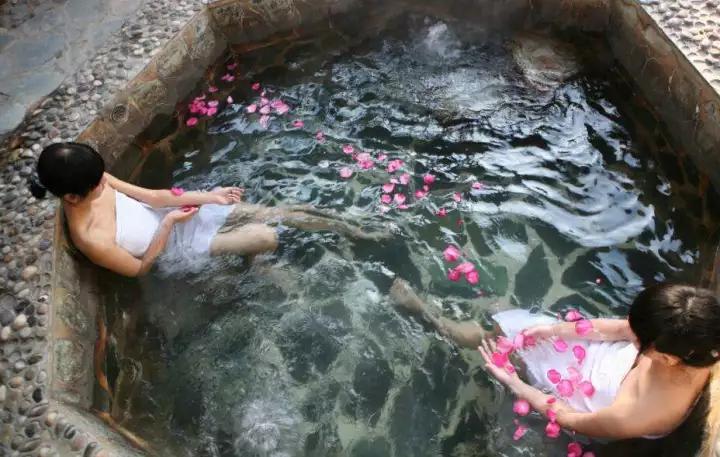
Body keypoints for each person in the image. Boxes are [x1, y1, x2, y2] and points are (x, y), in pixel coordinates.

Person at [389, 279, 720, 455]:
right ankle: (500, 321)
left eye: (639, 337)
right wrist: (554, 330)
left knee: (495, 338)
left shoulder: (639, 413)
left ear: (666, 357)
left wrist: (513, 382)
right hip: (590, 358)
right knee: (514, 327)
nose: (630, 330)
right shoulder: (693, 335)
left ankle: (431, 319)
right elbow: (618, 329)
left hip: (580, 395)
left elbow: (568, 418)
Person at [31, 142, 386, 277]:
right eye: (97, 185)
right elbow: (139, 269)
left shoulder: (94, 178)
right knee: (267, 237)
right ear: (72, 198)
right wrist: (169, 224)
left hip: (179, 216)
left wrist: (206, 197)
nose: (105, 183)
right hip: (176, 247)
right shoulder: (91, 238)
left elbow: (153, 197)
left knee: (281, 212)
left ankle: (352, 229)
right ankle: (254, 263)